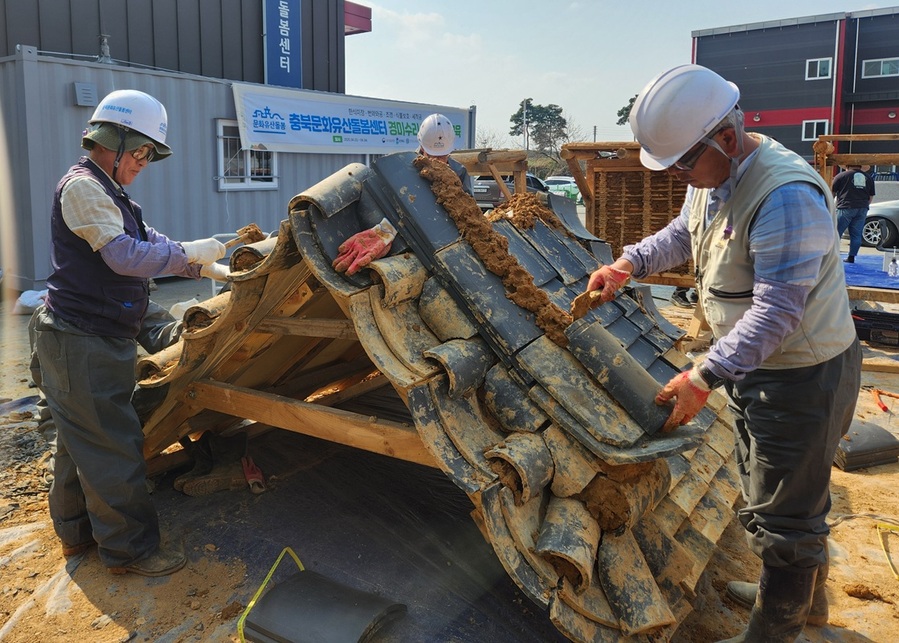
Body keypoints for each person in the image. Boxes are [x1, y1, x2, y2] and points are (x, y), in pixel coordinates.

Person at [585, 65, 860, 642]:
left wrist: (703, 375)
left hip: (800, 376)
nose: (682, 174)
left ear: (726, 139)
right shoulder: (714, 176)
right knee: (778, 490)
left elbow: (778, 314)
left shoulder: (785, 195)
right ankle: (797, 600)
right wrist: (627, 264)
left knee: (788, 513)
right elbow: (684, 235)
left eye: (684, 163)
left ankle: (775, 631)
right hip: (758, 367)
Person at [30, 89, 231, 577]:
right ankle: (131, 551)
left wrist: (197, 260)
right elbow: (122, 256)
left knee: (79, 443)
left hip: (87, 333)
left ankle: (76, 536)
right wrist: (187, 254)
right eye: (140, 152)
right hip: (80, 341)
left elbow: (148, 243)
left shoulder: (113, 193)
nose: (143, 162)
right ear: (111, 141)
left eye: (148, 155)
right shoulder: (82, 187)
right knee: (112, 448)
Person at [333, 113, 471, 275]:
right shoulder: (400, 169)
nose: (438, 162)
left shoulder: (458, 172)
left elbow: (468, 214)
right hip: (407, 248)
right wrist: (385, 231)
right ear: (421, 147)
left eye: (442, 156)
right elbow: (378, 204)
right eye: (432, 155)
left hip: (443, 244)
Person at [832, 164, 875, 262]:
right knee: (856, 234)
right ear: (860, 167)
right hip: (862, 208)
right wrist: (865, 205)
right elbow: (871, 195)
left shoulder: (841, 176)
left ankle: (832, 256)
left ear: (847, 166)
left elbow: (832, 192)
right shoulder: (868, 178)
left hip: (846, 206)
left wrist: (830, 205)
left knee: (836, 232)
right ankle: (851, 257)